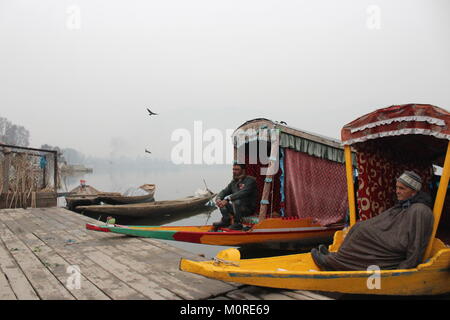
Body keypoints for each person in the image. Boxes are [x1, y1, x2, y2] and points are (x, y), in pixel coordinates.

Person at [311, 170, 434, 271]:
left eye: (402, 189)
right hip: (392, 239)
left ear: (414, 192)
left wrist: (406, 266)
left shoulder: (420, 210)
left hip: (395, 247)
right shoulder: (406, 204)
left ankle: (334, 263)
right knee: (358, 227)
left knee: (362, 233)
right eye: (397, 187)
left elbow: (417, 244)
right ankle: (338, 257)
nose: (397, 191)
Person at [213, 163, 258, 230]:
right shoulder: (234, 182)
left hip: (248, 209)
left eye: (237, 169)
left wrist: (228, 199)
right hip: (236, 208)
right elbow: (224, 191)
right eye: (233, 169)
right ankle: (226, 220)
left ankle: (237, 224)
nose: (234, 171)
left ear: (243, 170)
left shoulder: (251, 180)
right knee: (222, 202)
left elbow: (242, 193)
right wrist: (218, 199)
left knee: (235, 200)